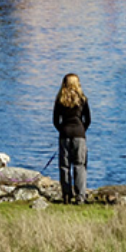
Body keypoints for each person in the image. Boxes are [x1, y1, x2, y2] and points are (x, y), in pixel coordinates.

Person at [53, 73, 91, 204]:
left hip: (64, 134)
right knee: (79, 166)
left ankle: (67, 196)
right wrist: (81, 130)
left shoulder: (60, 100)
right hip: (79, 134)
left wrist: (62, 130)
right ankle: (80, 196)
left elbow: (55, 120)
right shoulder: (83, 99)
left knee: (64, 166)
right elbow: (88, 119)